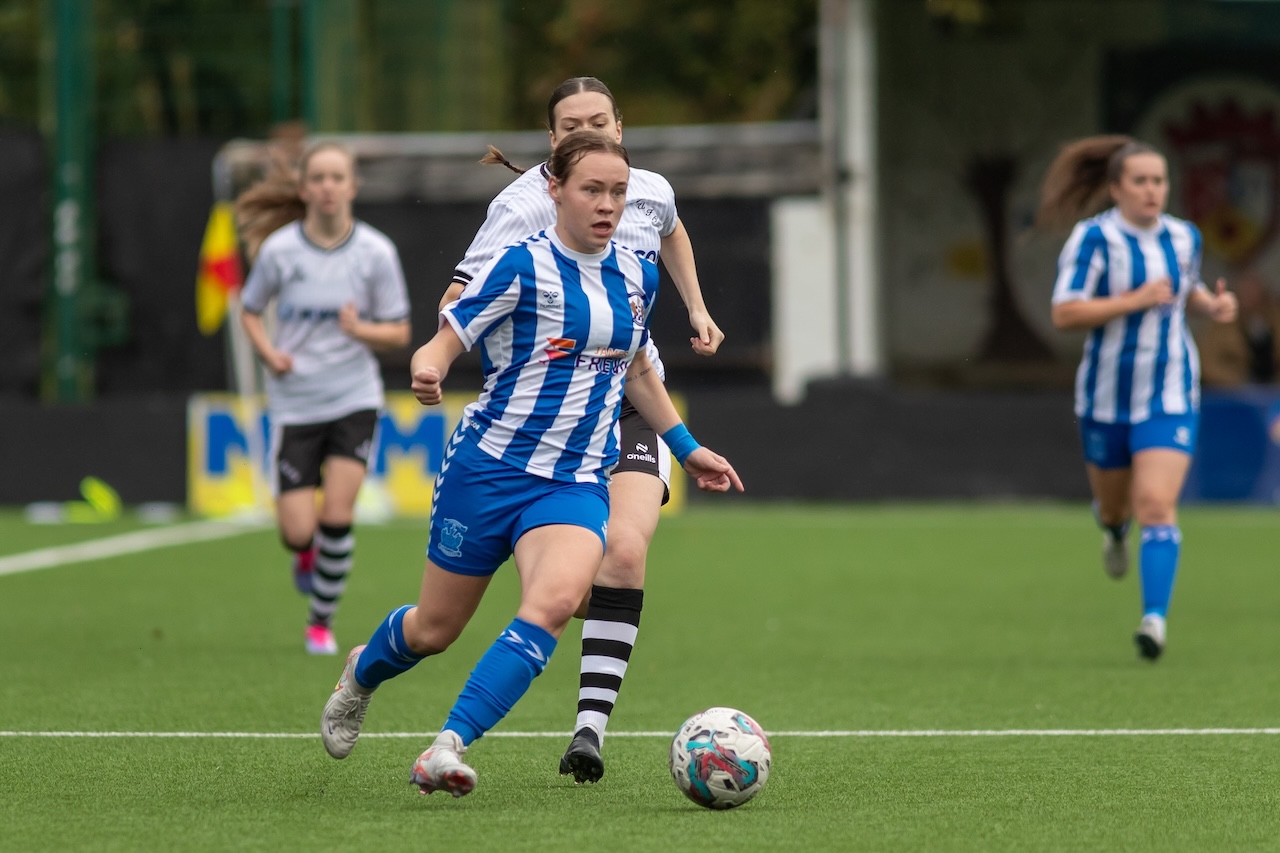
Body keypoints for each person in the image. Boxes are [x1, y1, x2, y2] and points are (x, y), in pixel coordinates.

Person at [319, 131, 743, 798]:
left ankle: (446, 745)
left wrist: (687, 449)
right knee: (434, 628)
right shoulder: (519, 265)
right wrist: (428, 368)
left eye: (619, 192)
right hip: (486, 471)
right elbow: (445, 337)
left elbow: (634, 368)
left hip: (573, 481)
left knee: (552, 602)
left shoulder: (638, 273)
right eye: (592, 190)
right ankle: (360, 674)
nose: (608, 205)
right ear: (555, 190)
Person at [438, 76, 725, 784]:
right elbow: (459, 296)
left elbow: (671, 227)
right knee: (469, 616)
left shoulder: (646, 191)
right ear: (552, 143)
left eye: (598, 120)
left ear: (620, 127)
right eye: (570, 125)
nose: (584, 130)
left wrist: (695, 306)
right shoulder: (520, 209)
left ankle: (588, 730)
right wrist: (450, 345)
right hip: (546, 411)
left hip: (628, 392)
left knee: (624, 552)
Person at [1040, 135, 1238, 661]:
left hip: (1170, 391)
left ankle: (1154, 621)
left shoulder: (1183, 237)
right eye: (1141, 182)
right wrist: (1131, 300)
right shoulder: (1093, 240)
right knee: (1114, 505)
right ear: (1116, 189)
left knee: (1156, 503)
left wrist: (1211, 307)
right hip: (1105, 397)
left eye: (1159, 181)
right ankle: (1111, 530)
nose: (1152, 191)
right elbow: (1064, 314)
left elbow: (1184, 290)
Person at [236, 142, 411, 655]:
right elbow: (250, 310)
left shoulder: (376, 252)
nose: (329, 187)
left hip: (354, 397)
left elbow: (399, 332)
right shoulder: (280, 251)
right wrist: (269, 352)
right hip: (295, 403)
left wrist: (362, 330)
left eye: (338, 177)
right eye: (319, 178)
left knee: (338, 514)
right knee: (298, 532)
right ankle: (303, 555)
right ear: (304, 188)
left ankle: (320, 623)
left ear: (352, 187)